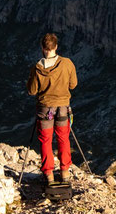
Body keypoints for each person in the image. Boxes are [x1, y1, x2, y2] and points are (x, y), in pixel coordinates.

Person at [26, 32, 78, 184]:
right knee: (63, 139)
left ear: (42, 48)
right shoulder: (67, 63)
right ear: (56, 46)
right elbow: (73, 85)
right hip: (63, 108)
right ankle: (65, 173)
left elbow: (32, 91)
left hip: (44, 109)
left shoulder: (36, 69)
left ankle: (49, 175)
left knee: (46, 141)